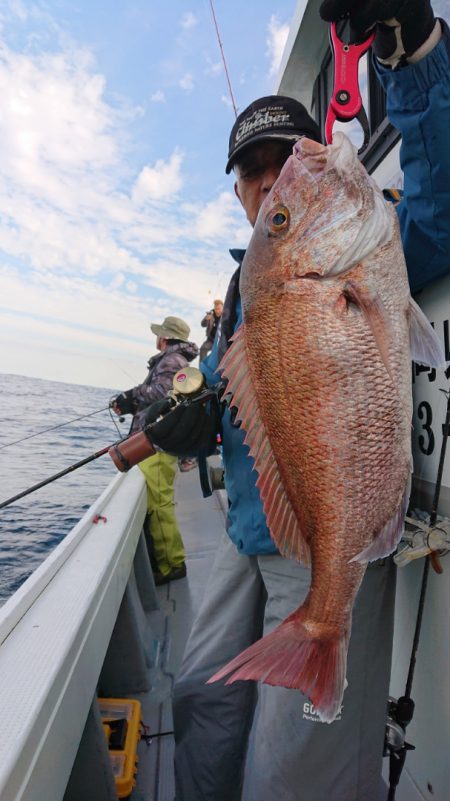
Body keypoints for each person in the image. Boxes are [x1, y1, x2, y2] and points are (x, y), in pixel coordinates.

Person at [147, 1, 450, 798]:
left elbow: (441, 202)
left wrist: (407, 47)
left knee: (291, 767)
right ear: (240, 193)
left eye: (286, 157)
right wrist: (194, 415)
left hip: (319, 539)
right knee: (198, 699)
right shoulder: (249, 281)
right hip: (249, 529)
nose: (272, 178)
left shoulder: (371, 241)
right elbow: (230, 382)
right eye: (256, 173)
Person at [111, 315, 198, 585]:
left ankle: (172, 564)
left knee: (159, 505)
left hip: (158, 446)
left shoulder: (172, 361)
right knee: (158, 502)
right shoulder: (174, 361)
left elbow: (160, 393)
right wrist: (128, 399)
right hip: (157, 442)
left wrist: (130, 399)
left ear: (165, 338)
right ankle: (167, 560)